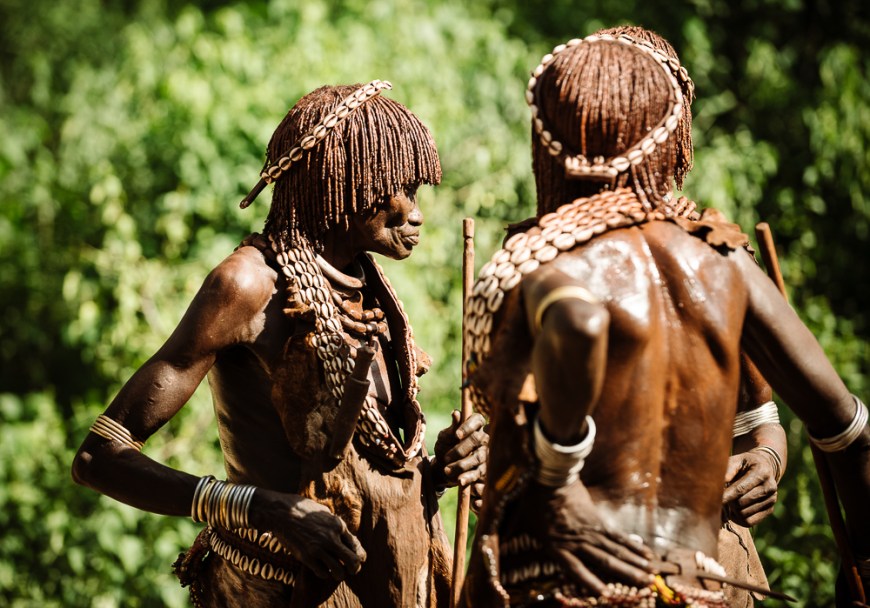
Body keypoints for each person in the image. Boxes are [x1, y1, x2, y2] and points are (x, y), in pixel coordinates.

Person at [460, 27, 869, 607]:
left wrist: (554, 481)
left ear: (547, 141)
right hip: (697, 587)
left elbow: (578, 330)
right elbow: (850, 430)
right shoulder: (725, 265)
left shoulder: (539, 262)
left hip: (571, 588)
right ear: (666, 137)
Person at [72, 81, 489, 607]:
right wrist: (267, 510)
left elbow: (364, 479)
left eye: (416, 191)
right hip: (279, 590)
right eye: (395, 188)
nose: (415, 212)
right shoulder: (247, 287)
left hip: (391, 584)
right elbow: (98, 458)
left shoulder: (365, 283)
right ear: (340, 184)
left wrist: (438, 469)